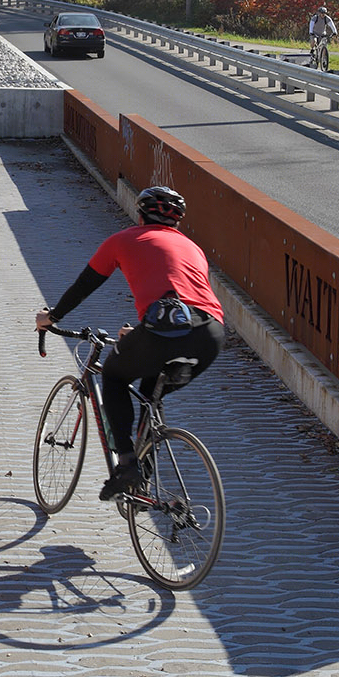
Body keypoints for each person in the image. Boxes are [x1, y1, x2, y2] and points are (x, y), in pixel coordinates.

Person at [35, 186, 226, 500]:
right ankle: (144, 483)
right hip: (211, 335)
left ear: (139, 215)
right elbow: (182, 302)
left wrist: (52, 316)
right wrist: (140, 333)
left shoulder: (124, 240)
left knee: (113, 375)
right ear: (177, 222)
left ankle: (126, 464)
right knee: (152, 393)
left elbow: (85, 285)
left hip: (163, 327)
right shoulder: (194, 249)